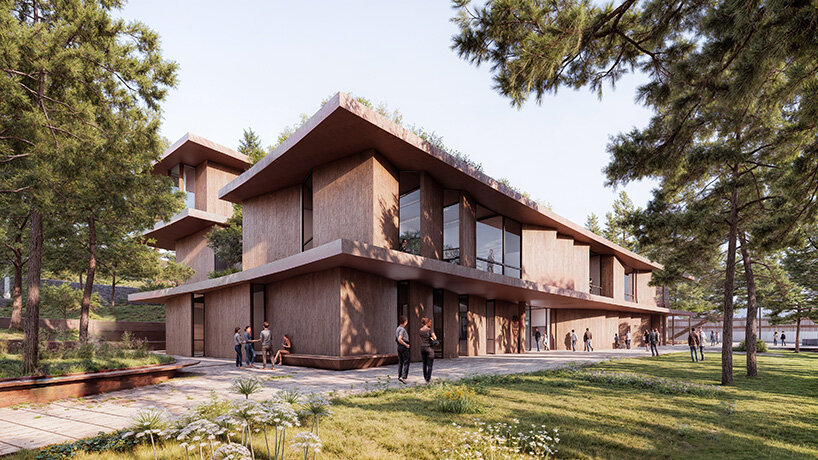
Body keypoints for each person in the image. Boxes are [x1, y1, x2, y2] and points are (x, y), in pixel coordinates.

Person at [418, 317, 438, 383]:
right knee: (430, 365)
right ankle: (428, 379)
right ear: (427, 323)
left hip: (422, 348)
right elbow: (435, 338)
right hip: (429, 348)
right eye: (430, 322)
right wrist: (432, 338)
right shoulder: (429, 330)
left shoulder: (420, 330)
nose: (431, 323)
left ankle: (425, 377)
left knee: (424, 364)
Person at [396, 315, 410, 384]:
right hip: (403, 347)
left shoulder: (397, 328)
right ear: (405, 322)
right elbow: (399, 339)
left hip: (399, 347)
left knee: (401, 361)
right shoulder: (402, 329)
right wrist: (406, 345)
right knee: (406, 361)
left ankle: (399, 376)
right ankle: (403, 377)